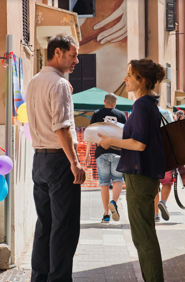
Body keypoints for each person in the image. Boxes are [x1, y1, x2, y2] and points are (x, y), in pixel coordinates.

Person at [98, 59, 166, 282]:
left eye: (130, 75)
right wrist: (114, 142)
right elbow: (139, 143)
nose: (125, 79)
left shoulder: (141, 105)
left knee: (143, 237)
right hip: (145, 176)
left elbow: (139, 144)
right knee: (144, 234)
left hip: (140, 177)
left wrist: (110, 140)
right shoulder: (149, 105)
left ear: (141, 80)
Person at [26, 34, 86, 282]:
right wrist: (75, 162)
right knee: (64, 228)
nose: (77, 60)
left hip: (39, 160)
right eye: (73, 55)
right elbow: (61, 127)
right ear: (58, 53)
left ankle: (39, 278)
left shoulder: (34, 81)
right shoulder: (59, 84)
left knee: (45, 226)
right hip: (59, 160)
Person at [85, 93, 127, 223]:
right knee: (118, 179)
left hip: (101, 153)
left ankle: (106, 214)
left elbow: (91, 134)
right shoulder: (121, 115)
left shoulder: (96, 113)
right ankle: (113, 202)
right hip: (118, 153)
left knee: (103, 183)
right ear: (115, 103)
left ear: (104, 101)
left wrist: (87, 154)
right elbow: (125, 135)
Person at [154, 107, 174, 222]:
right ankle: (163, 202)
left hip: (150, 153)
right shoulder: (166, 113)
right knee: (167, 181)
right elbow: (172, 130)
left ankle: (156, 214)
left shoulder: (141, 112)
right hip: (166, 152)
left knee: (154, 184)